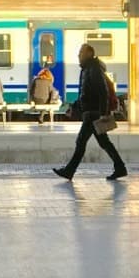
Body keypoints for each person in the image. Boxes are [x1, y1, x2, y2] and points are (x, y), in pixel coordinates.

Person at [53, 44, 127, 181]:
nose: (78, 55)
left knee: (81, 142)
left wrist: (103, 112)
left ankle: (69, 171)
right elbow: (85, 93)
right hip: (91, 111)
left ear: (88, 54)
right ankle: (120, 167)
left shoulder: (93, 69)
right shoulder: (87, 69)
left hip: (93, 113)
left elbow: (102, 91)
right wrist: (74, 106)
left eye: (81, 52)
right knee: (103, 142)